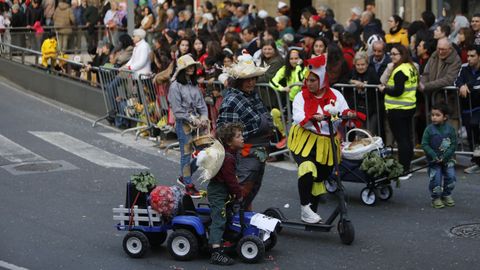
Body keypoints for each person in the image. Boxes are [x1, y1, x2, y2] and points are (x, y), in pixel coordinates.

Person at [288, 55, 352, 223]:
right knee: (307, 167)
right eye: (307, 80)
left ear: (322, 80)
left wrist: (348, 115)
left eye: (313, 80)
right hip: (305, 140)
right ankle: (305, 209)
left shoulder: (335, 95)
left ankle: (311, 212)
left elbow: (345, 112)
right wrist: (313, 118)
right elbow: (298, 116)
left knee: (319, 177)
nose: (309, 83)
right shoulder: (301, 97)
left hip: (327, 143)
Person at [217, 54, 272, 210]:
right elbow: (225, 131)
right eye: (247, 79)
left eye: (253, 78)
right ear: (238, 80)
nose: (251, 82)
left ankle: (241, 217)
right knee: (241, 190)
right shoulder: (232, 99)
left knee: (252, 188)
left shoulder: (252, 95)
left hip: (259, 152)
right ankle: (231, 221)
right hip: (245, 154)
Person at [168, 54, 208, 198]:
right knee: (186, 154)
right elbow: (178, 111)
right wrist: (192, 118)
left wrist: (204, 116)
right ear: (182, 69)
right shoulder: (175, 86)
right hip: (184, 124)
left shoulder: (193, 84)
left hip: (198, 124)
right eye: (188, 66)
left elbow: (202, 105)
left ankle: (185, 177)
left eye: (192, 66)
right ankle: (188, 184)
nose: (191, 68)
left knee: (205, 152)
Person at [378, 44, 419, 181]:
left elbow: (398, 91)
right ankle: (407, 167)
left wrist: (384, 90)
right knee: (406, 139)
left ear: (402, 55)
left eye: (395, 54)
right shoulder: (411, 67)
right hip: (408, 107)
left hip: (398, 109)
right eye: (391, 54)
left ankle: (404, 169)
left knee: (402, 140)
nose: (392, 56)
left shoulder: (400, 70)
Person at [207, 123, 244, 265]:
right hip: (218, 192)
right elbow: (231, 181)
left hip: (223, 190)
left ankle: (225, 240)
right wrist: (239, 194)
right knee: (219, 218)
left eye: (242, 135)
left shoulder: (230, 155)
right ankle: (215, 252)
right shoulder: (228, 158)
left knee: (227, 215)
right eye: (238, 136)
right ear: (229, 141)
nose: (242, 138)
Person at [421, 103, 457, 209]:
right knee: (435, 179)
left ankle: (446, 194)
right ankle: (436, 197)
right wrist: (433, 155)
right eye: (432, 115)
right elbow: (424, 144)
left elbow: (453, 144)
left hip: (448, 159)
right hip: (433, 161)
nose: (434, 117)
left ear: (445, 117)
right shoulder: (429, 130)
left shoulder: (450, 129)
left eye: (437, 115)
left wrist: (446, 156)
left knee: (451, 177)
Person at [454, 45, 480, 152]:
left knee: (475, 125)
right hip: (466, 107)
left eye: (472, 56)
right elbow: (457, 81)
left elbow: (477, 83)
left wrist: (466, 86)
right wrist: (461, 86)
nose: (469, 58)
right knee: (470, 136)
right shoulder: (464, 67)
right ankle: (474, 159)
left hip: (478, 106)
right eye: (468, 56)